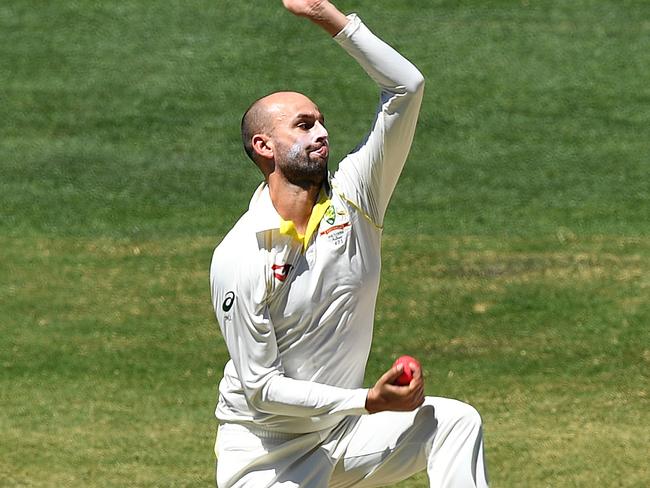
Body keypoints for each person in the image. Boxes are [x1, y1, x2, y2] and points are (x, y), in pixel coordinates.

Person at [210, 1, 489, 486]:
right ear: (264, 146)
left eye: (320, 121)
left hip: (346, 431)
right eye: (303, 125)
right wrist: (368, 401)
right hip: (266, 457)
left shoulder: (356, 196)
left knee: (454, 422)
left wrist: (327, 16)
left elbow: (407, 87)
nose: (322, 133)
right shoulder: (239, 256)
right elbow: (261, 390)